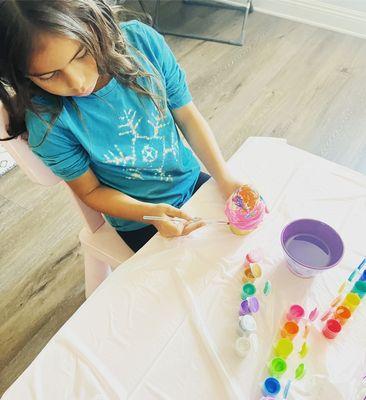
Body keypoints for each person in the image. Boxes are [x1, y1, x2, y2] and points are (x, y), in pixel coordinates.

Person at [0, 0, 242, 252]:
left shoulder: (143, 44)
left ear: (94, 24)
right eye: (48, 75)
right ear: (21, 75)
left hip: (190, 180)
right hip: (139, 219)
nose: (78, 82)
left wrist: (224, 177)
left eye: (82, 54)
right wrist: (150, 214)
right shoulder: (47, 122)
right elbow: (91, 191)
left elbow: (188, 116)